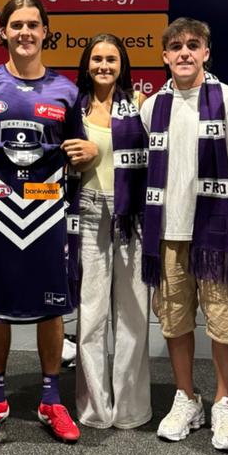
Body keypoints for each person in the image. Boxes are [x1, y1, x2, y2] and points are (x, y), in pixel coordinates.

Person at [0, 0, 95, 444]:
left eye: (33, 25)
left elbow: (80, 148)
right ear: (3, 32)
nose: (25, 33)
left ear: (45, 32)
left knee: (50, 308)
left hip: (47, 212)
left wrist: (88, 151)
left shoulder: (67, 91)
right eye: (16, 25)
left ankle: (51, 398)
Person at [141, 17, 228, 451]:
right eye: (176, 46)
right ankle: (187, 397)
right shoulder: (153, 107)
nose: (184, 52)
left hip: (219, 236)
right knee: (174, 322)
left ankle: (224, 402)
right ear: (165, 56)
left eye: (193, 45)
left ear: (206, 52)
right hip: (168, 234)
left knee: (226, 323)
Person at [73, 34, 151, 429]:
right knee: (92, 314)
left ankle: (131, 408)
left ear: (123, 64)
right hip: (87, 212)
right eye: (98, 59)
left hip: (131, 217)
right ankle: (94, 408)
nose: (104, 65)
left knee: (133, 314)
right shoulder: (74, 107)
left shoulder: (139, 105)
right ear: (87, 64)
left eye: (112, 59)